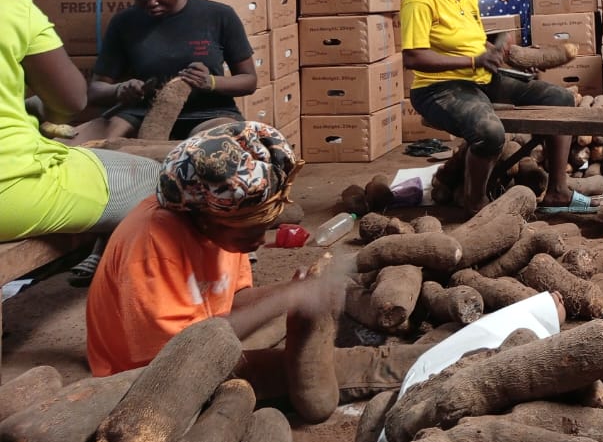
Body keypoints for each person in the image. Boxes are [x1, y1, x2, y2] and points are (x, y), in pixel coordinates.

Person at [86, 122, 423, 406]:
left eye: (264, 227)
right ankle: (428, 365)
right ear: (204, 218)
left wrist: (295, 290)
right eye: (251, 231)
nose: (261, 241)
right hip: (148, 380)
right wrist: (285, 300)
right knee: (338, 368)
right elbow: (181, 354)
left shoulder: (220, 221)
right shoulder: (152, 245)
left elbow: (231, 302)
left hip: (198, 345)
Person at [401, 0, 589, 215]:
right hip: (437, 88)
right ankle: (475, 203)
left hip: (479, 77)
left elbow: (475, 42)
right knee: (490, 133)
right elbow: (413, 58)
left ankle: (557, 192)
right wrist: (475, 60)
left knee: (561, 100)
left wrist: (503, 53)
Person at [0, 0, 161, 244]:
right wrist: (46, 109)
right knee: (159, 178)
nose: (153, 2)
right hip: (10, 192)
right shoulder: (9, 5)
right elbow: (73, 101)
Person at [78, 0, 257, 141]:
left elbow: (249, 81)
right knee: (103, 145)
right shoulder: (124, 23)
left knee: (214, 146)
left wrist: (212, 82)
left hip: (209, 113)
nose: (151, 2)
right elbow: (96, 89)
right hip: (142, 113)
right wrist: (120, 90)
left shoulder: (219, 16)